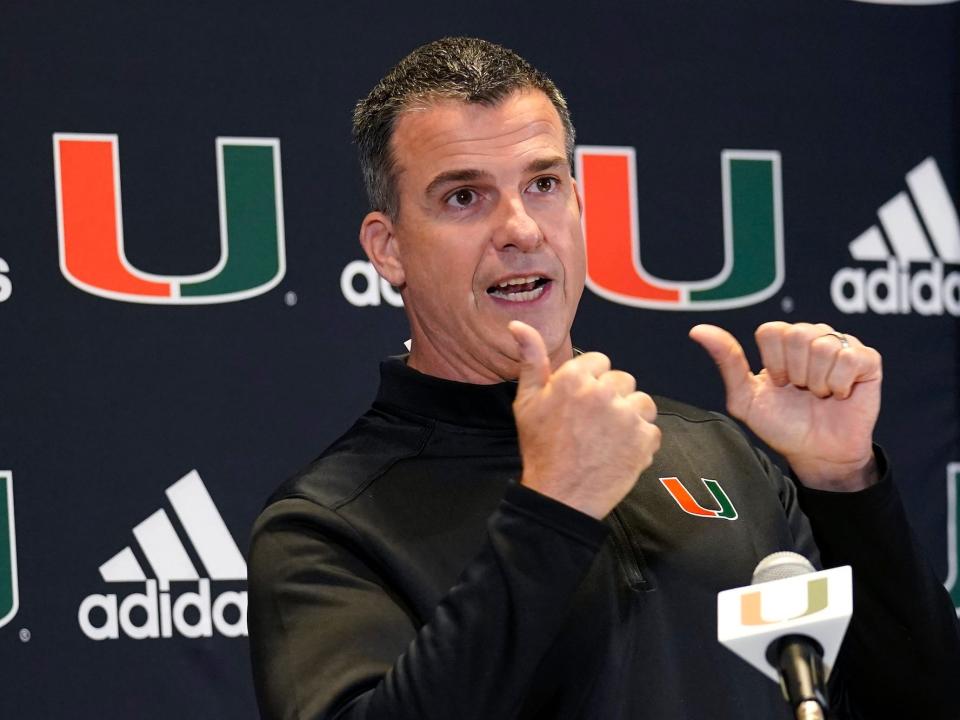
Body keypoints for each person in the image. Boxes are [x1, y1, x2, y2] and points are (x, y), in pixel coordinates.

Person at [248, 37, 960, 719]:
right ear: (389, 247)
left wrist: (844, 488)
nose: (521, 227)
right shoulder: (326, 527)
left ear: (581, 206)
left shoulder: (719, 453)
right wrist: (551, 511)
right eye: (465, 197)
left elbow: (917, 705)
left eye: (544, 183)